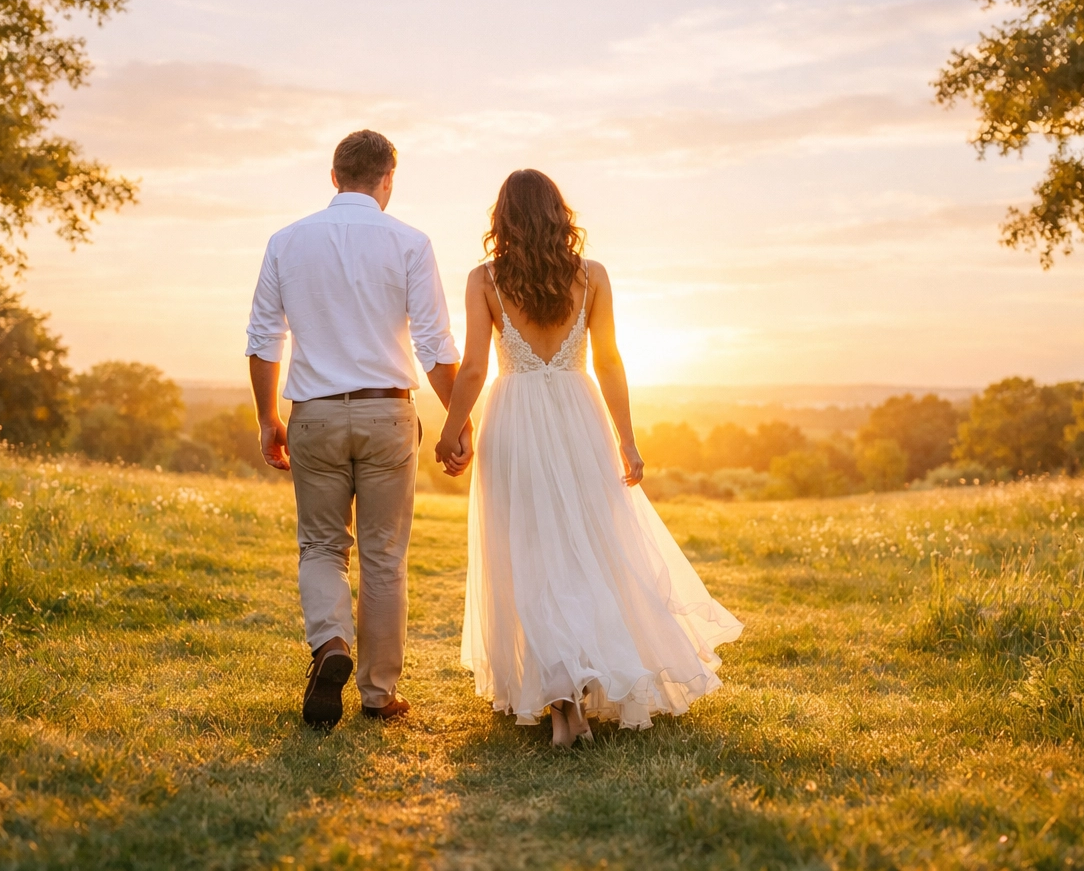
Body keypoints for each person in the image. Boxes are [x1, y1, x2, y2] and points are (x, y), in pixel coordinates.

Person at [434, 169, 743, 746]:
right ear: (559, 214)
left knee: (529, 555)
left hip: (516, 418)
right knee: (585, 554)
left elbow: (474, 367)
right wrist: (627, 439)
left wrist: (452, 431)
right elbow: (611, 363)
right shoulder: (592, 277)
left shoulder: (485, 280)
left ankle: (563, 706)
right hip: (580, 416)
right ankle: (578, 692)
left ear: (501, 219)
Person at [246, 129, 471, 729]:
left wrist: (269, 417)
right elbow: (433, 341)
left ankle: (331, 646)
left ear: (334, 176)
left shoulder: (286, 241)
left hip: (313, 416)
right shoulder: (410, 242)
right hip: (387, 414)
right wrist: (457, 419)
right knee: (383, 556)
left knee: (321, 546)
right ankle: (378, 694)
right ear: (387, 179)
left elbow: (265, 337)